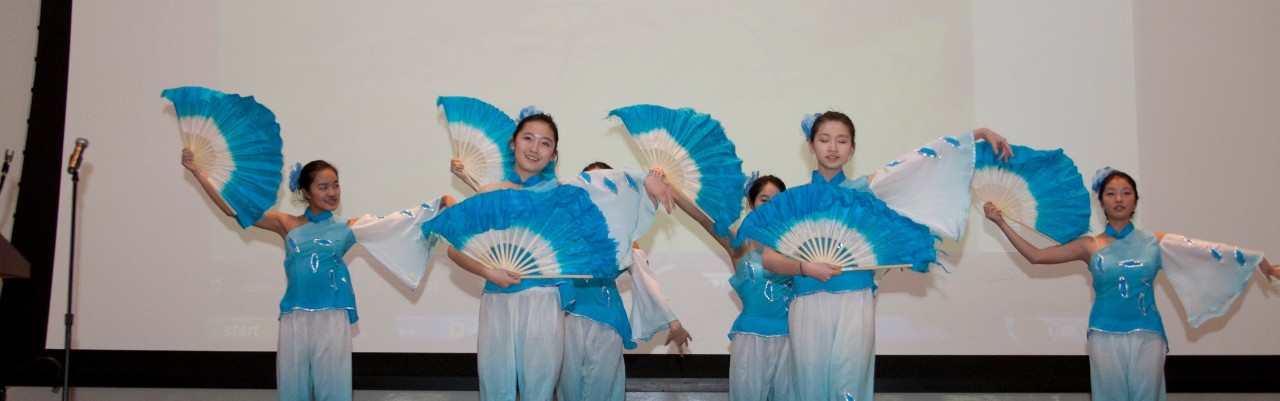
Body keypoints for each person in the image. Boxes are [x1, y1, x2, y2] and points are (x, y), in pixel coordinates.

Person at [759, 111, 1013, 400]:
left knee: (849, 383)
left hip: (854, 298)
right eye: (824, 140)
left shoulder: (866, 190)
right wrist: (805, 268)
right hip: (808, 301)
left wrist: (978, 134)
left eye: (842, 140)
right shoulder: (792, 200)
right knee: (808, 385)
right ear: (811, 146)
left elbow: (920, 163)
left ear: (852, 149)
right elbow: (769, 259)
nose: (832, 148)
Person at [984, 167, 1279, 401]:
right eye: (1111, 193)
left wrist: (1258, 261)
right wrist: (1001, 223)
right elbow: (1036, 256)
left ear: (1135, 200)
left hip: (1147, 332)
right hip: (1104, 333)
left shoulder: (1155, 241)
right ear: (1101, 202)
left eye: (1126, 193)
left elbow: (1207, 252)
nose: (1119, 199)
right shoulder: (1089, 245)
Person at [183, 152, 453, 401]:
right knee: (292, 386)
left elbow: (398, 222)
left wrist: (439, 205)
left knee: (333, 386)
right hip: (295, 315)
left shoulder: (348, 227)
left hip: (333, 314)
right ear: (306, 192)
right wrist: (198, 172)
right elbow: (234, 209)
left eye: (335, 185)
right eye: (323, 187)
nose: (332, 192)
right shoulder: (285, 223)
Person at [553, 162, 690, 401]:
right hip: (567, 317)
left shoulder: (624, 240)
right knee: (568, 388)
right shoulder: (564, 230)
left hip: (607, 319)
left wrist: (674, 324)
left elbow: (646, 280)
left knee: (601, 390)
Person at [674, 172, 794, 401]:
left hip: (790, 339)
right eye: (764, 200)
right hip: (750, 339)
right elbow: (702, 218)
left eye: (778, 201)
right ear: (751, 203)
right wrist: (670, 187)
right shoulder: (739, 242)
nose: (771, 207)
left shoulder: (796, 246)